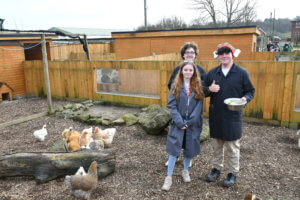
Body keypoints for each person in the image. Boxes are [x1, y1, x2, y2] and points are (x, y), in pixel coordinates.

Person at [205, 42, 255, 187]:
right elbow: (201, 89)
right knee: (216, 145)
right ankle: (216, 169)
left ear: (232, 55)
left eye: (227, 53)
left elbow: (250, 91)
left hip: (233, 116)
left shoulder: (241, 73)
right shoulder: (213, 73)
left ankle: (232, 173)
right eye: (221, 53)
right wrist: (210, 88)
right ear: (218, 56)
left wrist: (245, 99)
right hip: (216, 115)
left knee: (233, 146)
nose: (224, 56)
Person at [162, 61, 205, 191]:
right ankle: (168, 176)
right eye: (185, 70)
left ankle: (185, 171)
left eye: (190, 70)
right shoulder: (176, 86)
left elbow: (199, 107)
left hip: (192, 125)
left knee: (189, 149)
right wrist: (180, 122)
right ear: (181, 71)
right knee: (174, 150)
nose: (188, 72)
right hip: (178, 124)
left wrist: (189, 122)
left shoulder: (198, 87)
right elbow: (172, 105)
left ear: (194, 72)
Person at [165, 42, 206, 168]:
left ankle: (189, 157)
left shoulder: (201, 71)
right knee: (177, 136)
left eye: (192, 52)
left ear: (195, 55)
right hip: (180, 107)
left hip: (194, 110)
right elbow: (171, 85)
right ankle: (174, 156)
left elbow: (204, 89)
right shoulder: (178, 69)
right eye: (187, 52)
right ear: (183, 55)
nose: (189, 54)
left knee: (191, 136)